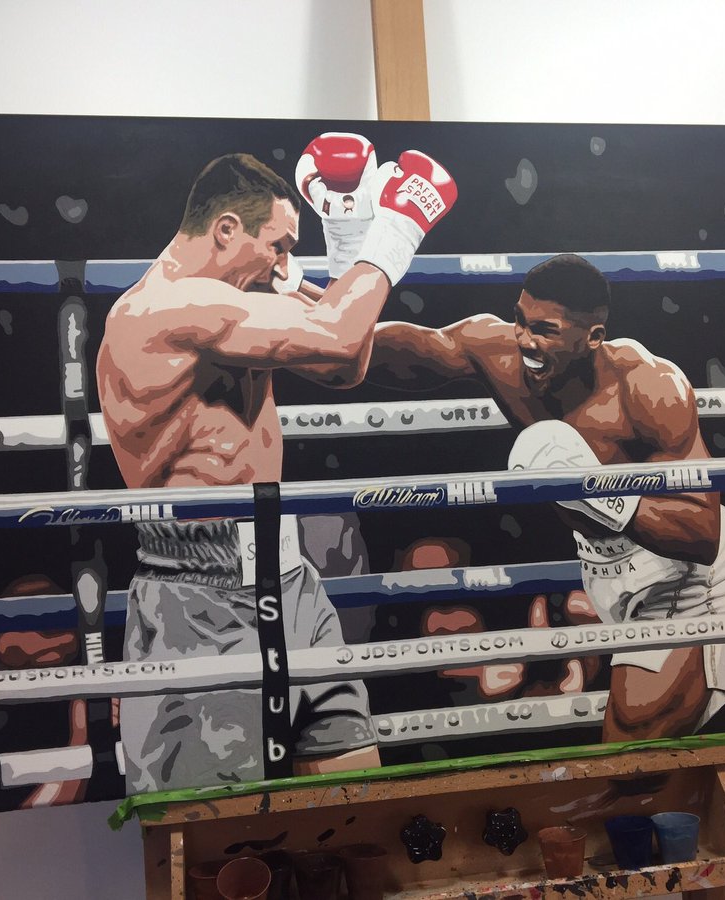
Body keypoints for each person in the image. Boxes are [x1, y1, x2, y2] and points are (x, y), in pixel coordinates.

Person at [96, 137, 457, 794]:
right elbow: (338, 333)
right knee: (220, 835)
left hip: (292, 578)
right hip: (198, 597)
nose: (286, 265)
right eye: (280, 247)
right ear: (226, 229)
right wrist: (397, 228)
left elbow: (346, 364)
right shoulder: (161, 310)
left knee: (353, 808)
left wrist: (347, 235)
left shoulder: (234, 301)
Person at [368, 254, 725, 741]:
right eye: (519, 319)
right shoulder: (498, 353)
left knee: (629, 748)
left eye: (544, 330)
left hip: (684, 576)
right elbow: (416, 351)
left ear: (592, 336)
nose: (524, 339)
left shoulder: (648, 386)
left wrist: (595, 490)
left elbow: (701, 531)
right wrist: (324, 316)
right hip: (605, 570)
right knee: (718, 744)